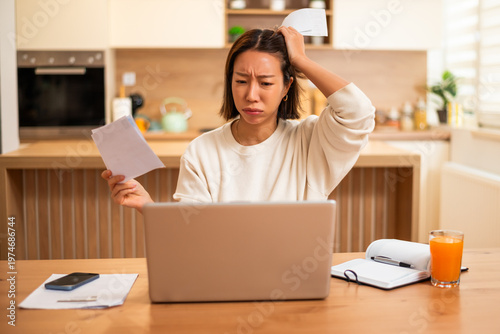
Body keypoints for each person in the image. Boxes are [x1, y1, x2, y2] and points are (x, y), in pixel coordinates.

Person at [102, 27, 375, 213]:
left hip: (297, 278)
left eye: (266, 83)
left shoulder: (311, 141)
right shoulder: (202, 151)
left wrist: (300, 59)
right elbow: (189, 236)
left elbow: (359, 112)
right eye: (241, 81)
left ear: (286, 87)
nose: (251, 95)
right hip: (222, 280)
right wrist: (147, 206)